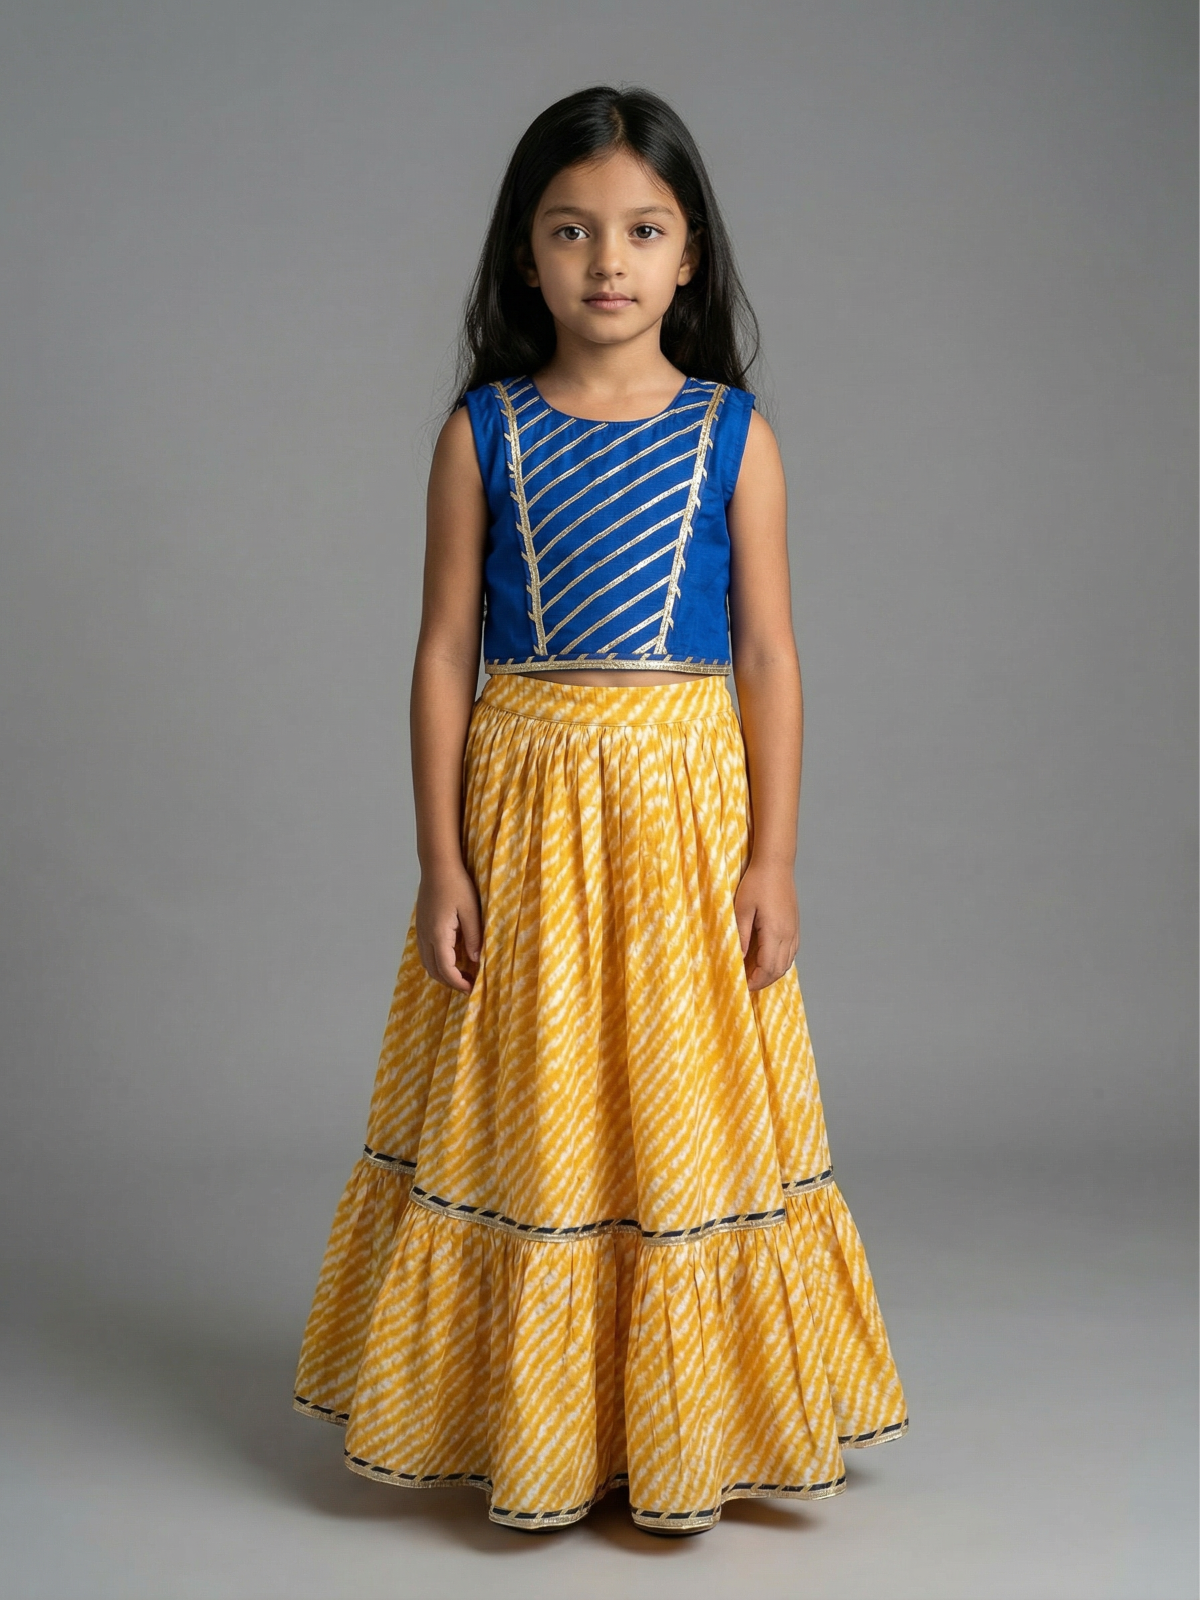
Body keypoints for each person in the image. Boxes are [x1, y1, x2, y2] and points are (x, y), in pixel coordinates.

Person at [293, 83, 907, 1538]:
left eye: (642, 230)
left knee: (679, 1106)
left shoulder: (733, 436)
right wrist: (439, 859)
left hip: (686, 820)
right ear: (526, 255)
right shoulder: (483, 434)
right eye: (571, 231)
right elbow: (442, 652)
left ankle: (684, 1425)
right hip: (528, 821)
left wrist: (775, 858)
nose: (607, 261)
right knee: (539, 1102)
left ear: (690, 256)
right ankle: (534, 1423)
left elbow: (770, 655)